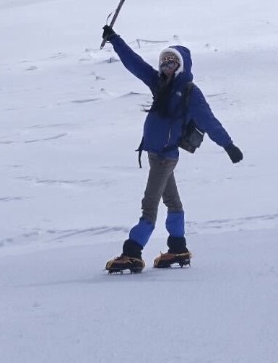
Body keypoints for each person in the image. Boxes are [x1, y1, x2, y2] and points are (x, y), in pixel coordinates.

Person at [101, 25, 243, 273]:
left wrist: (228, 144)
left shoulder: (189, 92)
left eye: (172, 63)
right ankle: (178, 248)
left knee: (150, 204)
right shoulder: (160, 84)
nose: (167, 67)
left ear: (182, 66)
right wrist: (115, 40)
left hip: (165, 157)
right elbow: (135, 64)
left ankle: (132, 252)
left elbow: (208, 120)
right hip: (157, 154)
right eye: (164, 62)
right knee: (172, 202)